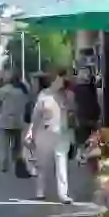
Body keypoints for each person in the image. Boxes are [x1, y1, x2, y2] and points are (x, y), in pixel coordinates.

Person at [26, 69, 74, 203]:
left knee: (61, 164)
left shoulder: (67, 95)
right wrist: (31, 133)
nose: (62, 82)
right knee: (43, 164)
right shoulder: (43, 95)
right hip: (45, 133)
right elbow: (36, 117)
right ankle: (40, 191)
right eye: (60, 79)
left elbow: (73, 112)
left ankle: (63, 194)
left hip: (62, 134)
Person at [0, 69, 30, 173]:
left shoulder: (2, 91)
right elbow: (26, 104)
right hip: (18, 120)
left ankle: (4, 165)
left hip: (5, 120)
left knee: (4, 144)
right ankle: (16, 162)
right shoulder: (21, 92)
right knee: (17, 143)